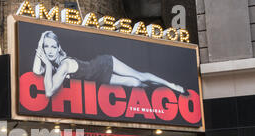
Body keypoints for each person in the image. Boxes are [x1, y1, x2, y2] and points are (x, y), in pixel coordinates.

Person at [33, 30, 185, 98]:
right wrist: (40, 44)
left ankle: (171, 85)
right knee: (134, 83)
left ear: (58, 48)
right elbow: (36, 70)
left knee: (139, 76)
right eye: (46, 47)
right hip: (98, 77)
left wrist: (46, 62)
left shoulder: (63, 65)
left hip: (103, 64)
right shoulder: (54, 64)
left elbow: (49, 92)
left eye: (53, 46)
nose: (50, 50)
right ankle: (159, 90)